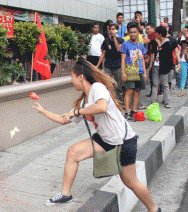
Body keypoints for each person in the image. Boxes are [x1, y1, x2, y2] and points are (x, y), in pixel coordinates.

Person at [32, 57, 161, 212]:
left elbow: (102, 106)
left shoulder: (97, 88)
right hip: (105, 140)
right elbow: (63, 120)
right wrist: (43, 111)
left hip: (124, 141)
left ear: (81, 77)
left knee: (130, 182)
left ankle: (154, 209)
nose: (71, 82)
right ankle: (66, 194)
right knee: (73, 152)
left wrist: (77, 111)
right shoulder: (83, 101)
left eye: (72, 77)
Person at [121, 23, 147, 121]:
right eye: (131, 32)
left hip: (139, 71)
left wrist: (144, 72)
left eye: (135, 32)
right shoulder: (125, 44)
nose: (133, 34)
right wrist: (123, 73)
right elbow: (123, 59)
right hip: (129, 72)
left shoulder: (141, 45)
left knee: (137, 92)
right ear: (128, 33)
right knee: (129, 91)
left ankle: (133, 111)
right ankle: (127, 113)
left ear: (138, 33)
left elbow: (143, 59)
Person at [96, 23, 124, 101]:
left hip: (117, 66)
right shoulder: (106, 41)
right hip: (108, 66)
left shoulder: (121, 40)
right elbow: (103, 54)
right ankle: (111, 99)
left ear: (117, 30)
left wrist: (114, 38)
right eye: (110, 29)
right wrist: (97, 65)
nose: (111, 31)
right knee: (108, 83)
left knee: (118, 83)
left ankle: (119, 99)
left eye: (113, 29)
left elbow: (118, 49)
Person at [151, 26, 174, 108]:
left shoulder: (168, 43)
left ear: (160, 34)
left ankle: (166, 101)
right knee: (155, 84)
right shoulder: (156, 42)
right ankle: (153, 101)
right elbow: (153, 53)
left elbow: (165, 54)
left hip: (164, 67)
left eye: (157, 33)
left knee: (164, 84)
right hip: (156, 65)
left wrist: (159, 44)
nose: (156, 35)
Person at [145, 23, 158, 97]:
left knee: (153, 77)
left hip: (153, 60)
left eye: (148, 29)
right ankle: (154, 92)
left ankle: (154, 93)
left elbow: (152, 53)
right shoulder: (152, 36)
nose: (147, 30)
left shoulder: (153, 36)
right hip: (153, 59)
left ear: (153, 28)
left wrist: (150, 64)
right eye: (146, 29)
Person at [178, 29, 188, 97]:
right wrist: (181, 33)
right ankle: (182, 91)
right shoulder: (183, 42)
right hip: (184, 60)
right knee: (183, 76)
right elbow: (178, 41)